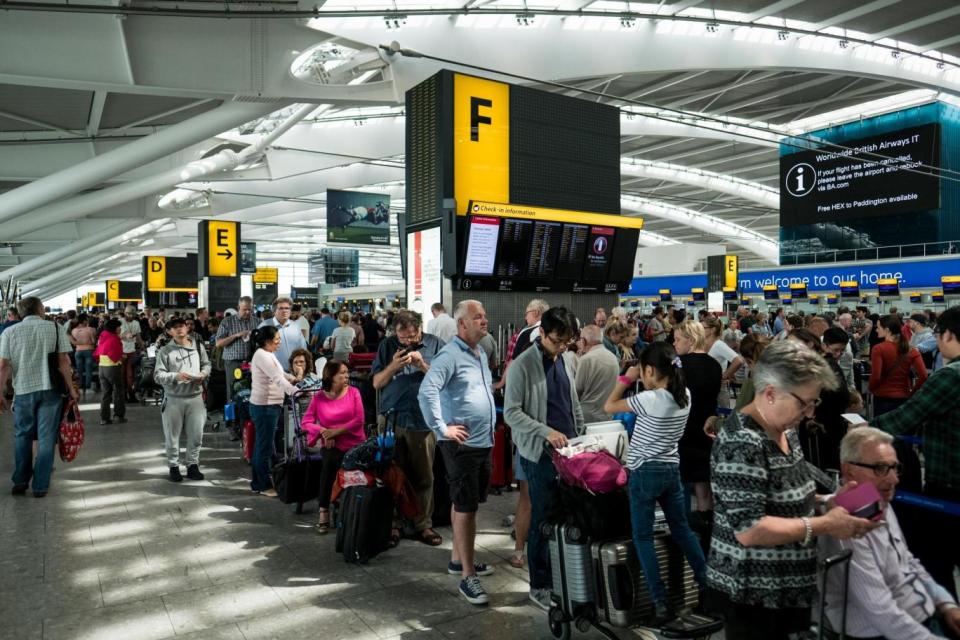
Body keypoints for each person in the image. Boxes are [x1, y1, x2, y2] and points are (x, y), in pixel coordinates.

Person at [705, 340, 881, 640]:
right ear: (770, 393)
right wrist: (826, 523)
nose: (810, 413)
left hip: (791, 585)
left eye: (815, 403)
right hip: (754, 593)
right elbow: (749, 529)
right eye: (805, 403)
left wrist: (831, 499)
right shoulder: (742, 442)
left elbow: (786, 492)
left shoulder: (785, 430)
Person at [820, 427, 960, 640]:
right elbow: (879, 609)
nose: (894, 479)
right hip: (887, 632)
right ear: (848, 471)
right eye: (880, 468)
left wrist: (946, 603)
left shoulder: (878, 500)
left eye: (895, 468)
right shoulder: (846, 524)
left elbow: (908, 562)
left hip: (921, 617)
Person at [603, 342, 707, 624]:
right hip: (671, 470)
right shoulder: (684, 395)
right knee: (682, 529)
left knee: (643, 537)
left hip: (644, 473)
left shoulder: (650, 399)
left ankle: (660, 602)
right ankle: (707, 584)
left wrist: (627, 377)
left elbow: (609, 405)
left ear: (649, 370)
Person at [870, 305, 960, 600]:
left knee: (935, 560)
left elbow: (904, 418)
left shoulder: (950, 377)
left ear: (947, 334)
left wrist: (861, 430)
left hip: (949, 485)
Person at [418, 300, 497, 606]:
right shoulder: (449, 355)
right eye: (478, 317)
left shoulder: (479, 352)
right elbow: (427, 391)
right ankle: (467, 576)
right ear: (462, 324)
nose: (484, 320)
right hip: (462, 445)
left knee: (466, 504)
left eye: (484, 316)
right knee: (466, 508)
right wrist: (442, 428)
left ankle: (456, 559)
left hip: (481, 442)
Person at [504, 306, 584, 612]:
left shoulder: (562, 359)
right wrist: (546, 431)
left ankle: (562, 575)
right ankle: (539, 584)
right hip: (540, 455)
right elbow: (512, 413)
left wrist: (581, 433)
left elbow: (571, 401)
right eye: (556, 341)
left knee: (565, 515)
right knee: (543, 519)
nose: (562, 346)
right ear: (542, 333)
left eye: (567, 342)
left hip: (569, 452)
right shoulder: (522, 365)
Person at [372, 309, 445, 548]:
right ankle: (394, 524)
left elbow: (447, 380)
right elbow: (376, 383)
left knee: (424, 476)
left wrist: (422, 363)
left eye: (412, 336)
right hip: (392, 418)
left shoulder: (435, 344)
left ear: (420, 329)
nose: (407, 342)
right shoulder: (387, 345)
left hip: (423, 420)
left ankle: (423, 524)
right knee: (392, 475)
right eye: (402, 337)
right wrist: (393, 366)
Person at [0, 296, 77, 498]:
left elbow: (4, 366)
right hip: (50, 391)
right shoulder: (54, 328)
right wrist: (72, 388)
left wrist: (0, 392)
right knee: (46, 437)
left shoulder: (9, 332)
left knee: (22, 435)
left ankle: (20, 480)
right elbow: (63, 362)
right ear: (40, 309)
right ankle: (40, 485)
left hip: (23, 391)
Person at [301, 359, 365, 533]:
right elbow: (305, 422)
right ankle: (324, 510)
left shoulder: (354, 393)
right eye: (342, 373)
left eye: (347, 372)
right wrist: (323, 431)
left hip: (355, 443)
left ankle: (354, 509)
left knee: (355, 465)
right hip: (332, 446)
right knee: (328, 464)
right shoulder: (319, 398)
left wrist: (335, 432)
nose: (347, 376)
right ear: (331, 376)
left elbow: (359, 420)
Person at [672, 320, 722, 514]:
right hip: (707, 428)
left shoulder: (678, 365)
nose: (674, 344)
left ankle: (682, 527)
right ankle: (706, 525)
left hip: (682, 430)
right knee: (703, 486)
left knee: (680, 484)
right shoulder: (715, 365)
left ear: (691, 341)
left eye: (677, 340)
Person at [154, 317, 211, 482]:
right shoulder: (165, 351)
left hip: (195, 397)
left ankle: (193, 464)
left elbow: (207, 364)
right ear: (169, 332)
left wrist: (203, 374)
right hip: (173, 399)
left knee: (196, 434)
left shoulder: (198, 347)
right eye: (175, 327)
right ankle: (173, 466)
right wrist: (175, 376)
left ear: (187, 328)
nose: (179, 329)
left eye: (182, 326)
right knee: (172, 435)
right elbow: (158, 375)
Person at [249, 325, 300, 497]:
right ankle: (262, 485)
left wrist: (293, 379)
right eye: (277, 340)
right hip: (265, 407)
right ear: (267, 341)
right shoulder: (262, 355)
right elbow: (277, 379)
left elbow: (281, 373)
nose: (279, 342)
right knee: (263, 448)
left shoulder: (268, 354)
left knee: (263, 446)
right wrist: (296, 392)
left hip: (270, 406)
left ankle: (259, 482)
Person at [799, 327, 850, 472]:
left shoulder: (823, 363)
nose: (838, 354)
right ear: (824, 345)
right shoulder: (821, 365)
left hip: (825, 425)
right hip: (818, 427)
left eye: (842, 350)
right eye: (836, 349)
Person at [870, 315, 927, 417]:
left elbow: (876, 376)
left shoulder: (878, 349)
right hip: (903, 397)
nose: (876, 330)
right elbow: (923, 375)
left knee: (882, 431)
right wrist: (912, 393)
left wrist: (871, 389)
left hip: (882, 398)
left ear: (887, 329)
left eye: (878, 327)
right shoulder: (911, 349)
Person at [570, 324, 620, 423]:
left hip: (587, 417)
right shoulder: (613, 357)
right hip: (607, 415)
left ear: (583, 341)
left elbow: (577, 391)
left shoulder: (586, 359)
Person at [215, 296, 258, 401]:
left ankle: (248, 415)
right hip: (233, 362)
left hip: (252, 362)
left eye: (250, 309)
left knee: (252, 389)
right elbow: (219, 343)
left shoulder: (257, 321)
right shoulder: (227, 321)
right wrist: (236, 335)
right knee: (233, 389)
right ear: (238, 307)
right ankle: (233, 415)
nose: (247, 312)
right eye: (244, 309)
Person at [259, 297, 308, 373]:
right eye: (281, 308)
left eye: (287, 308)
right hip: (273, 374)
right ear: (274, 311)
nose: (284, 311)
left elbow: (302, 349)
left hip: (294, 372)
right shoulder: (264, 326)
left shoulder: (295, 326)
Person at [93, 318, 125, 425]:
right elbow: (116, 354)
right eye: (119, 327)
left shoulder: (103, 336)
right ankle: (118, 416)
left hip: (102, 367)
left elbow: (101, 351)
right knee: (118, 392)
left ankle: (104, 418)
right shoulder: (114, 338)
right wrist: (122, 356)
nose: (120, 328)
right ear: (114, 328)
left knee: (106, 393)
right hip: (113, 368)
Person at [119, 305, 142, 402]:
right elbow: (116, 335)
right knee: (122, 374)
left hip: (132, 351)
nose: (130, 315)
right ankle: (123, 395)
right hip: (122, 351)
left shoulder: (136, 323)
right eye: (128, 313)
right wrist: (124, 335)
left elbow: (138, 336)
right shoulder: (120, 322)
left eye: (132, 314)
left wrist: (142, 345)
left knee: (131, 375)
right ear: (125, 313)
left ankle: (131, 394)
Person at [70, 314, 97, 397]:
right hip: (89, 350)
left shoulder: (73, 330)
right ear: (84, 320)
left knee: (79, 370)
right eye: (87, 319)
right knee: (88, 369)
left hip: (78, 351)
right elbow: (93, 341)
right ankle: (88, 386)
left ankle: (81, 386)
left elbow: (74, 343)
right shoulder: (90, 329)